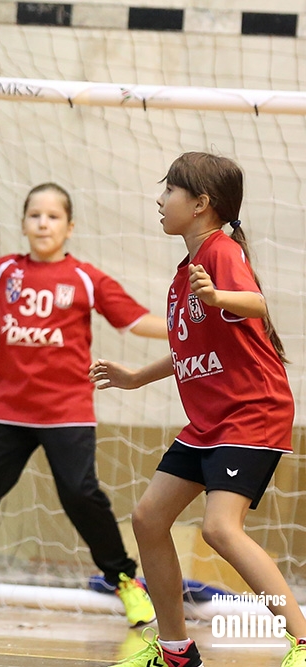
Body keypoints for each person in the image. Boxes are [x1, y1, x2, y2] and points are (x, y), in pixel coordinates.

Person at [0, 184, 167, 626]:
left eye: (53, 216)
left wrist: (191, 327)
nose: (43, 223)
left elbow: (135, 321)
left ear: (69, 227)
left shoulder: (86, 279)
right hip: (9, 413)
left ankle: (125, 580)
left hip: (67, 412)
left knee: (80, 494)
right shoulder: (6, 272)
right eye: (35, 215)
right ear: (22, 223)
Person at [89, 152, 306, 667]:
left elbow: (256, 304)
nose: (160, 200)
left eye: (170, 190)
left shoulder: (220, 252)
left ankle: (302, 640)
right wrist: (135, 377)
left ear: (201, 204)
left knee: (219, 529)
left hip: (250, 412)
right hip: (209, 421)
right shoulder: (184, 274)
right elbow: (188, 349)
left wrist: (220, 295)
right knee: (148, 518)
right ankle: (175, 651)